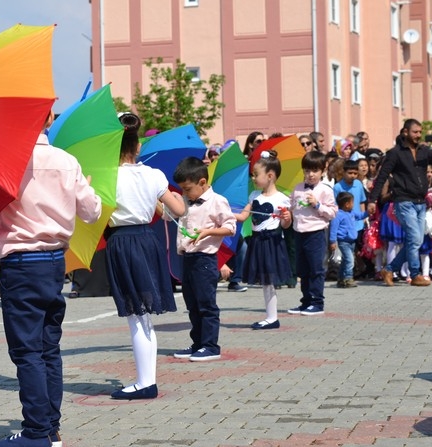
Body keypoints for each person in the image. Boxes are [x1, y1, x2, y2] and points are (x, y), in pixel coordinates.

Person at [0, 110, 101, 447]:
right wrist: (86, 190)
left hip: (21, 261)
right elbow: (92, 212)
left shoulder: (6, 161)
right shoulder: (67, 160)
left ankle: (37, 432)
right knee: (49, 347)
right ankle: (50, 428)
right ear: (50, 118)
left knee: (28, 351)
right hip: (54, 260)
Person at [105, 113, 186, 399]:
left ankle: (144, 382)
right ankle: (146, 379)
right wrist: (151, 201)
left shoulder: (108, 175)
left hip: (122, 241)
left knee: (135, 314)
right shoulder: (153, 175)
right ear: (137, 145)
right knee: (144, 314)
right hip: (147, 240)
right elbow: (179, 210)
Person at [368, 118, 432, 287]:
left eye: (420, 132)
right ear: (405, 132)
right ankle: (415, 274)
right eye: (415, 132)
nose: (418, 135)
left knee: (416, 240)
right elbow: (382, 176)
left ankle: (390, 269)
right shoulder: (395, 153)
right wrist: (372, 200)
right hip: (403, 201)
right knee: (414, 238)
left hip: (421, 203)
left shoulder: (423, 151)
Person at [172, 157, 236, 361]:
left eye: (187, 188)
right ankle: (197, 343)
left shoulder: (217, 201)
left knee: (206, 303)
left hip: (205, 260)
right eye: (181, 189)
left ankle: (210, 345)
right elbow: (167, 215)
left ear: (202, 182)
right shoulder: (184, 201)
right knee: (191, 303)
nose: (184, 193)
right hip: (187, 258)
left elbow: (231, 227)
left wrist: (208, 232)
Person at [236, 150, 292, 329]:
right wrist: (225, 212)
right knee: (265, 282)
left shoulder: (282, 199)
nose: (253, 178)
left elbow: (285, 226)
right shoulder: (254, 197)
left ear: (270, 176)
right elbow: (243, 216)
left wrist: (286, 217)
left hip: (272, 242)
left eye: (256, 175)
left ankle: (272, 317)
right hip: (257, 241)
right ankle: (270, 316)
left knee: (269, 281)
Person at [288, 151, 338, 315]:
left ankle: (317, 302)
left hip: (316, 233)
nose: (310, 175)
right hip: (299, 232)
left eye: (314, 171)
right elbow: (291, 207)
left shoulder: (325, 190)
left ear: (323, 170)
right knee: (303, 270)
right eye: (307, 170)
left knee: (316, 268)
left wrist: (317, 205)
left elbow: (332, 212)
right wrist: (286, 212)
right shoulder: (297, 188)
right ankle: (306, 301)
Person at [330, 192, 368, 288]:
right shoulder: (338, 215)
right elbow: (333, 229)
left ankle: (341, 278)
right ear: (347, 204)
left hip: (351, 242)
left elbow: (360, 216)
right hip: (343, 242)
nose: (353, 205)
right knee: (350, 260)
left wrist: (368, 212)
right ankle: (348, 278)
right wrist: (332, 241)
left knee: (345, 260)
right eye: (352, 203)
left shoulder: (351, 213)